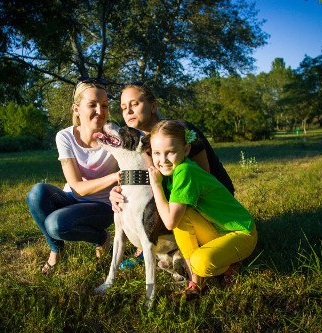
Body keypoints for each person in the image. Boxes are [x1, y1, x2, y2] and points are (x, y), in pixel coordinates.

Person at [110, 82, 235, 268]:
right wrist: (118, 192)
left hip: (210, 202)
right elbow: (142, 183)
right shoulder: (137, 144)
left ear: (153, 106)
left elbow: (202, 180)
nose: (127, 111)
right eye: (123, 107)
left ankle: (185, 249)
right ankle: (158, 248)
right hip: (175, 202)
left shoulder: (179, 131)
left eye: (134, 104)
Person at [147, 120, 258, 298]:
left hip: (241, 233)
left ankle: (231, 264)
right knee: (183, 216)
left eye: (170, 152)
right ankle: (195, 282)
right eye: (157, 153)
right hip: (215, 231)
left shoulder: (185, 172)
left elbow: (169, 221)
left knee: (200, 261)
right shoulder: (170, 172)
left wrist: (156, 186)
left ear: (186, 150)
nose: (162, 160)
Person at [27, 79, 119, 276]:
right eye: (92, 105)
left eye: (104, 105)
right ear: (77, 109)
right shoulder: (65, 136)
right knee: (37, 193)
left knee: (56, 224)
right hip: (72, 197)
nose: (100, 111)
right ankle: (56, 251)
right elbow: (77, 187)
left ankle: (100, 238)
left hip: (102, 207)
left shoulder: (115, 136)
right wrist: (115, 176)